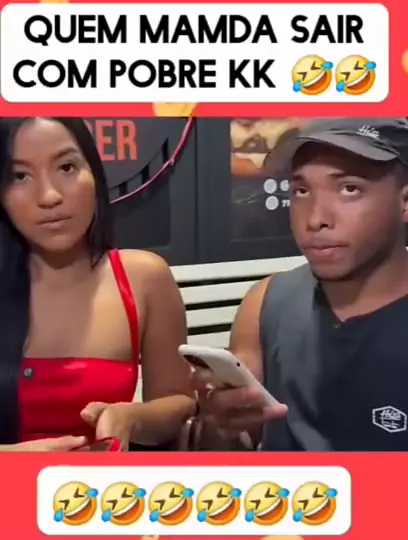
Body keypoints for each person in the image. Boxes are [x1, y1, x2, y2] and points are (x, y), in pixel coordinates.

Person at [192, 117, 408, 451]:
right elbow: (230, 454)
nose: (315, 219)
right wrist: (221, 423)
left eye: (349, 189)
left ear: (404, 202)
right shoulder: (266, 301)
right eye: (301, 191)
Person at [0, 117, 196, 451]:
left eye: (66, 167)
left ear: (94, 172)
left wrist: (133, 418)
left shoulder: (144, 278)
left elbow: (177, 402)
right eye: (20, 176)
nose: (49, 196)